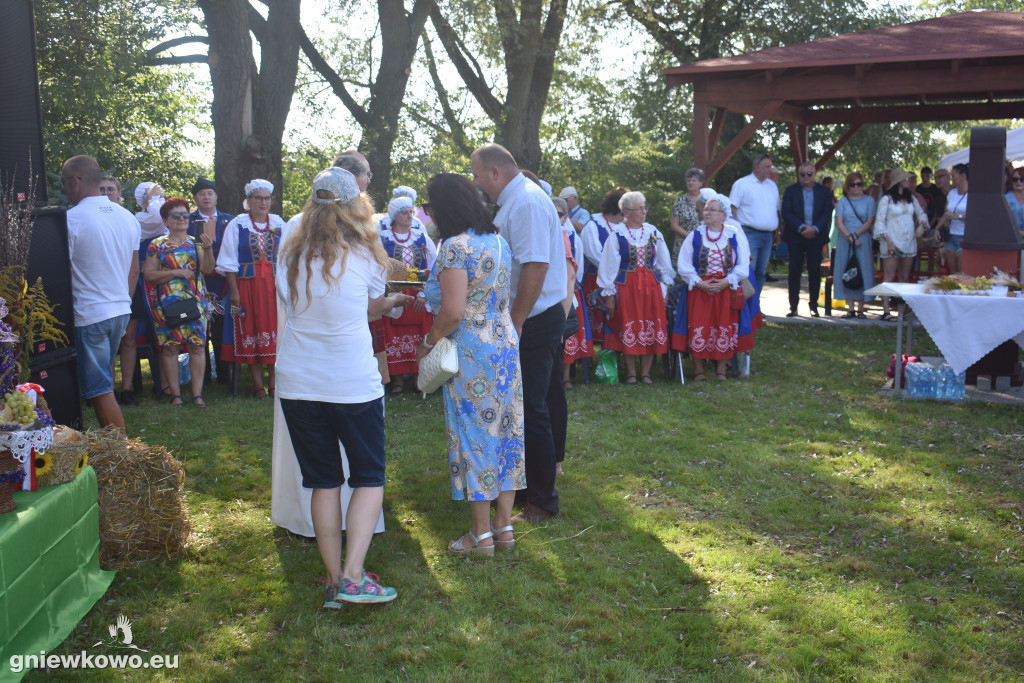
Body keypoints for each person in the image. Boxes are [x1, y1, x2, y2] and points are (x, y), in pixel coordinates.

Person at [276, 167, 412, 608]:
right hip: (353, 384)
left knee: (323, 482)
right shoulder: (369, 254)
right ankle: (353, 576)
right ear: (356, 205)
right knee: (369, 477)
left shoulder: (289, 255)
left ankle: (336, 579)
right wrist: (389, 303)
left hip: (299, 382)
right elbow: (370, 305)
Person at [417, 173, 526, 554]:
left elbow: (452, 312)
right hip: (504, 342)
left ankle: (480, 535)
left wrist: (428, 342)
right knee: (507, 430)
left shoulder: (454, 247)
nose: (427, 214)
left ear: (444, 207)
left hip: (471, 350)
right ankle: (504, 528)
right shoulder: (497, 241)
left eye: (430, 205)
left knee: (474, 435)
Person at [470, 143, 567, 524]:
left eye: (478, 175)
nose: (477, 184)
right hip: (529, 316)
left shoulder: (525, 201)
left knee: (533, 409)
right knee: (523, 408)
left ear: (495, 173)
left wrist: (516, 320)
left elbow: (535, 267)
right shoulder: (517, 199)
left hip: (534, 318)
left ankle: (542, 500)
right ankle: (525, 489)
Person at [63, 155, 140, 432]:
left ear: (75, 181)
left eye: (64, 183)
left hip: (91, 313)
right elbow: (134, 271)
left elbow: (65, 272)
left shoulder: (70, 219)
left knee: (99, 388)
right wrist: (123, 304)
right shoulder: (128, 217)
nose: (64, 189)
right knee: (102, 384)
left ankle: (122, 454)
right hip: (120, 309)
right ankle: (113, 448)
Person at [142, 197, 215, 407]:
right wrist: (176, 272)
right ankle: (176, 395)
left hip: (195, 303)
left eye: (186, 215)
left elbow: (208, 270)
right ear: (166, 220)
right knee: (170, 348)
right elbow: (149, 275)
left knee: (198, 347)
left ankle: (197, 395)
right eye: (176, 215)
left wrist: (208, 250)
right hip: (166, 305)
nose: (182, 219)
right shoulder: (157, 245)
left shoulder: (196, 243)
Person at [596, 191, 674, 384]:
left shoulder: (653, 232)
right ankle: (631, 373)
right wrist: (610, 294)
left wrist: (666, 286)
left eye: (644, 207)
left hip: (651, 286)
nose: (644, 212)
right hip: (627, 287)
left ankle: (645, 373)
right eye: (640, 208)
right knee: (629, 325)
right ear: (627, 212)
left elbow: (664, 263)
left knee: (651, 324)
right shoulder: (617, 234)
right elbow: (608, 267)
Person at [216, 179, 283, 398]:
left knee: (276, 330)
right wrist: (234, 292)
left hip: (273, 287)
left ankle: (273, 382)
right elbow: (228, 261)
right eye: (258, 198)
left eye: (267, 198)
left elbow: (287, 258)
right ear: (249, 201)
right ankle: (257, 384)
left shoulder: (279, 223)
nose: (263, 203)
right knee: (249, 329)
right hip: (246, 287)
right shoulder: (238, 224)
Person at [671, 196, 751, 381]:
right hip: (700, 291)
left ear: (723, 216)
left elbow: (742, 264)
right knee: (700, 327)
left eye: (712, 210)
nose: (707, 212)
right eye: (706, 209)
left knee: (723, 327)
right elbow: (684, 265)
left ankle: (721, 371)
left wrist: (727, 281)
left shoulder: (733, 235)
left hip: (725, 290)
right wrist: (699, 283)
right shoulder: (695, 235)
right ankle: (699, 370)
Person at [380, 195, 436, 393]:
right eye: (404, 212)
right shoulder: (383, 238)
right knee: (392, 332)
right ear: (395, 216)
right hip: (394, 290)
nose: (409, 215)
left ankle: (418, 376)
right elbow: (377, 265)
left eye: (410, 212)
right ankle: (396, 379)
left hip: (419, 291)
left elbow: (434, 263)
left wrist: (424, 294)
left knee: (420, 332)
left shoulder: (422, 237)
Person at [187, 177, 235, 383]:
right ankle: (203, 376)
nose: (206, 197)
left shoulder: (230, 220)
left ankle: (225, 374)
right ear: (195, 198)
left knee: (221, 327)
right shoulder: (186, 221)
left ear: (216, 197)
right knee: (199, 328)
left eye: (210, 193)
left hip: (223, 283)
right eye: (201, 194)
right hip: (197, 282)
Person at [99, 175, 140, 406]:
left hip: (127, 289)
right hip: (101, 290)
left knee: (128, 339)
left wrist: (127, 297)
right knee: (104, 344)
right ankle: (107, 389)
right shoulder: (91, 220)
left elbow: (134, 266)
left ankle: (127, 389)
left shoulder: (128, 220)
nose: (106, 193)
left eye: (111, 189)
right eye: (101, 189)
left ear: (119, 193)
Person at [781, 162, 834, 318]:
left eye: (809, 174)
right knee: (794, 271)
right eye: (802, 174)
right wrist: (802, 228)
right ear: (799, 175)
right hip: (796, 236)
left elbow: (827, 212)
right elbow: (787, 212)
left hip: (816, 237)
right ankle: (793, 307)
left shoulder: (824, 192)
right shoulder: (791, 191)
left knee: (815, 271)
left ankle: (813, 306)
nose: (806, 177)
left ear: (814, 174)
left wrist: (815, 229)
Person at [875, 168, 929, 321]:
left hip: (908, 240)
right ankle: (886, 310)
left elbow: (921, 214)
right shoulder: (886, 199)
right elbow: (879, 222)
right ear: (898, 181)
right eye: (906, 179)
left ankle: (904, 310)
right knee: (890, 276)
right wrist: (889, 241)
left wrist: (921, 226)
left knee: (905, 276)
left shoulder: (911, 198)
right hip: (891, 240)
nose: (909, 181)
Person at [729, 154, 780, 301]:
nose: (770, 170)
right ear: (757, 167)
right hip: (749, 233)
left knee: (761, 272)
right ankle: (746, 307)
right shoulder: (742, 184)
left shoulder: (772, 186)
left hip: (768, 235)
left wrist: (778, 231)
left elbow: (777, 211)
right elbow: (732, 208)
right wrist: (737, 231)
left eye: (770, 166)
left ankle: (755, 307)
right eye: (767, 166)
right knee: (747, 270)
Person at [553, 197, 592, 390]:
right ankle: (556, 374)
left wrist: (573, 287)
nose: (555, 216)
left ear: (566, 216)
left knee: (568, 334)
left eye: (559, 214)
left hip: (569, 290)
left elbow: (579, 266)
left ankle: (566, 376)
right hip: (552, 291)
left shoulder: (573, 237)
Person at [580, 187, 626, 338]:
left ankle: (614, 353)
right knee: (597, 320)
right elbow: (594, 254)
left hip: (622, 281)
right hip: (596, 280)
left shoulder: (624, 227)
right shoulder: (593, 226)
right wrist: (614, 271)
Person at [832, 173, 876, 319]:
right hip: (846, 240)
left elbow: (870, 221)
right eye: (853, 184)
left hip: (862, 239)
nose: (856, 187)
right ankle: (850, 308)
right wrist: (849, 237)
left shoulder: (869, 201)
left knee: (863, 270)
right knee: (847, 270)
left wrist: (856, 235)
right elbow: (839, 222)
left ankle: (861, 309)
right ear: (847, 186)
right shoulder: (843, 202)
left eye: (859, 184)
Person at [938, 163, 969, 275]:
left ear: (963, 176)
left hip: (964, 235)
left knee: (962, 272)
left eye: (954, 176)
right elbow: (946, 213)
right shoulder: (951, 193)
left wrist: (958, 217)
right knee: (952, 273)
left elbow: (976, 218)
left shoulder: (973, 195)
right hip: (950, 235)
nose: (952, 179)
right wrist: (938, 228)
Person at [670, 168, 704, 265]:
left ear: (700, 183)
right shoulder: (680, 201)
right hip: (683, 243)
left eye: (694, 180)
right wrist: (691, 237)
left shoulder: (706, 200)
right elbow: (674, 225)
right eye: (688, 180)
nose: (691, 183)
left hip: (704, 244)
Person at [1006, 167, 1024, 239]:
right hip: (1010, 240)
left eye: (1022, 179)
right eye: (1015, 179)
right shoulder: (1005, 198)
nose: (1018, 182)